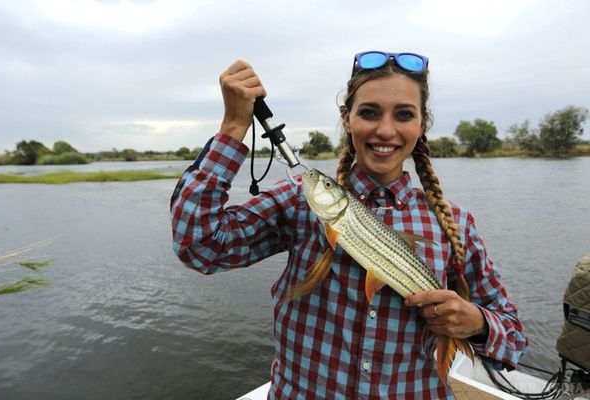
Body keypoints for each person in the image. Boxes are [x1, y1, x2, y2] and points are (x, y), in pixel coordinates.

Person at [170, 52, 527, 399]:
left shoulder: (455, 223)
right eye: (369, 113)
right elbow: (200, 248)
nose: (385, 130)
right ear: (347, 118)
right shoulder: (297, 201)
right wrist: (234, 127)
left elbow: (512, 340)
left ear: (421, 124)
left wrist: (477, 322)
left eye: (404, 114)